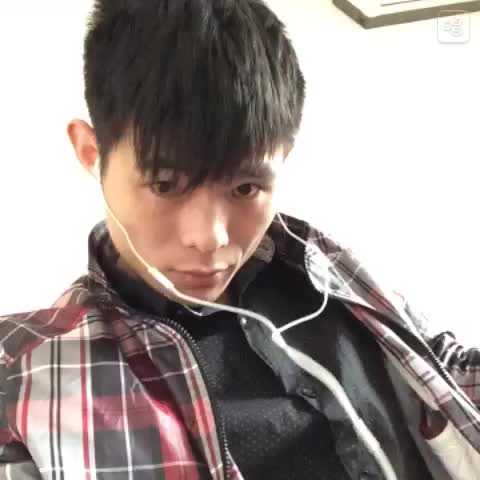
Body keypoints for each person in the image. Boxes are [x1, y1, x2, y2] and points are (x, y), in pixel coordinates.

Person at [1, 1, 479, 479]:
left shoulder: (324, 266)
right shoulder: (25, 372)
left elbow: (442, 368)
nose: (209, 238)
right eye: (164, 185)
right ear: (92, 152)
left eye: (246, 188)